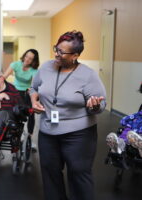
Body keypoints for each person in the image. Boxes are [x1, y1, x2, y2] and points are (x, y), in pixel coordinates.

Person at [30, 30, 106, 200]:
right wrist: (34, 99)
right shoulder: (46, 67)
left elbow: (101, 105)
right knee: (50, 173)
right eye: (56, 49)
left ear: (75, 55)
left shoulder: (88, 75)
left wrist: (94, 106)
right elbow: (33, 88)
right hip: (48, 132)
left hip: (79, 135)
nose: (56, 54)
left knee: (79, 174)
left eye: (61, 52)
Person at [3, 49, 39, 136]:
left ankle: (30, 135)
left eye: (30, 59)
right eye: (26, 56)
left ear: (33, 61)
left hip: (27, 92)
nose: (27, 59)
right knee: (15, 112)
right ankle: (16, 132)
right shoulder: (15, 64)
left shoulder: (34, 70)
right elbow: (3, 77)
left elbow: (33, 85)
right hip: (15, 91)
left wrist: (32, 90)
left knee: (31, 113)